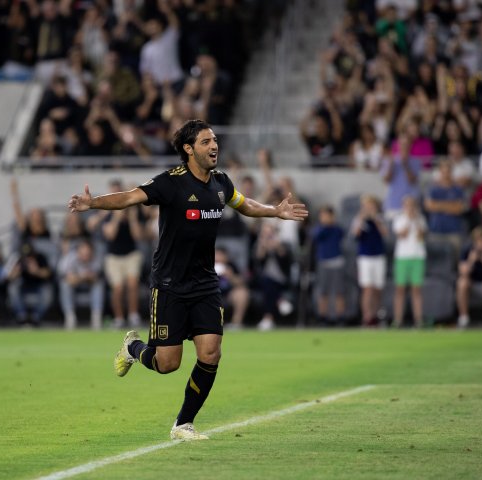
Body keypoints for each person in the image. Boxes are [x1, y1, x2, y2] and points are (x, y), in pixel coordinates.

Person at [67, 119, 307, 441]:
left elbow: (244, 204)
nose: (214, 146)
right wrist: (93, 202)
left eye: (215, 140)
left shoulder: (221, 182)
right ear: (188, 148)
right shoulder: (171, 183)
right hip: (169, 284)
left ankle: (183, 423)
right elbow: (130, 197)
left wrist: (273, 211)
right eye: (206, 141)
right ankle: (132, 347)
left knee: (211, 353)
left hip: (205, 284)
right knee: (168, 363)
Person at [88, 179, 145, 329]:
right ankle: (119, 318)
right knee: (118, 287)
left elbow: (138, 236)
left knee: (133, 283)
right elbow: (110, 235)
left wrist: (131, 216)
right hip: (113, 256)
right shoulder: (107, 214)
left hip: (131, 253)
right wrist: (117, 215)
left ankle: (133, 315)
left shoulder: (134, 211)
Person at [351, 194, 388, 327]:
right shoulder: (359, 219)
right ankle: (367, 316)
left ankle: (377, 314)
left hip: (378, 256)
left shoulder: (380, 219)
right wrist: (362, 219)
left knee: (377, 288)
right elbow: (355, 234)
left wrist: (375, 219)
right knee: (367, 288)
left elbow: (385, 233)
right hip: (365, 257)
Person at [392, 196, 427, 328]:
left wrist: (416, 221)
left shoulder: (421, 219)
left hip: (418, 257)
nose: (410, 208)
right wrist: (409, 220)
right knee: (400, 289)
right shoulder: (399, 219)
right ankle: (398, 320)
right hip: (402, 257)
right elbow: (402, 234)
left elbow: (421, 235)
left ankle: (418, 320)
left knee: (416, 289)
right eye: (407, 205)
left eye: (412, 205)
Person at [253, 223, 295, 331]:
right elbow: (258, 261)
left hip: (280, 280)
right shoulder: (258, 245)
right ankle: (280, 301)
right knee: (267, 282)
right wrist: (263, 246)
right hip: (264, 280)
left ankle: (267, 319)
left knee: (269, 284)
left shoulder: (282, 245)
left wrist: (277, 246)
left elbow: (285, 260)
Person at [57, 239, 104, 330]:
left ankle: (96, 317)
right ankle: (70, 317)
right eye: (83, 253)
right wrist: (81, 277)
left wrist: (88, 277)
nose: (86, 255)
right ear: (78, 251)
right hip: (74, 284)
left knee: (98, 285)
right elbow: (66, 278)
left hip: (89, 284)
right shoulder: (69, 258)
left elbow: (96, 277)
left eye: (88, 253)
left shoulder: (96, 259)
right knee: (65, 285)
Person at [311, 205, 346, 326]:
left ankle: (340, 317)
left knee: (339, 291)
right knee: (323, 291)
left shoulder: (336, 229)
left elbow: (341, 234)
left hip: (336, 262)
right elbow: (316, 236)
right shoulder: (319, 229)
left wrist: (331, 224)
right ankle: (323, 317)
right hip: (323, 263)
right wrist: (325, 226)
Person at [425, 160, 468, 257]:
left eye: (448, 171)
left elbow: (459, 209)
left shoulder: (458, 190)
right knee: (436, 260)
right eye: (443, 172)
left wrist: (438, 205)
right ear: (440, 172)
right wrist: (450, 206)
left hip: (454, 231)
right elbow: (429, 206)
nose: (446, 175)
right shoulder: (433, 189)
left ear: (451, 172)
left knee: (455, 259)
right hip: (436, 230)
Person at [5, 241, 53, 326]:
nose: (28, 258)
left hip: (39, 284)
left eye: (30, 255)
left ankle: (36, 317)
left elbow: (49, 274)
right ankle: (22, 316)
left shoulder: (40, 257)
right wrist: (15, 273)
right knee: (12, 288)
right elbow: (8, 278)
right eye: (26, 256)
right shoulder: (19, 259)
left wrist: (37, 271)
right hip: (24, 285)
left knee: (47, 291)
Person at [214, 247, 250, 330]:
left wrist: (230, 276)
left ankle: (236, 323)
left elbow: (241, 282)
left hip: (228, 293)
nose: (218, 257)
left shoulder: (231, 265)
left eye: (220, 255)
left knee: (242, 292)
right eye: (216, 254)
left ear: (226, 256)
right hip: (212, 293)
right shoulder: (207, 266)